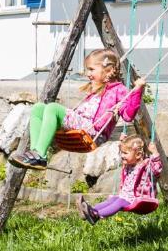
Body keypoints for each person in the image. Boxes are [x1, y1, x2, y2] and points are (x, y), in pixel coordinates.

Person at [9, 49, 144, 170]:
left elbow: (128, 116)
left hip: (93, 131)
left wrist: (138, 91)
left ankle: (40, 155)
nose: (87, 73)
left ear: (108, 71)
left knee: (53, 108)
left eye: (91, 69)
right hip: (82, 124)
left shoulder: (119, 90)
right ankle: (36, 152)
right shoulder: (97, 87)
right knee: (38, 107)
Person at [78, 134, 161, 224]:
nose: (122, 155)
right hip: (125, 197)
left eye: (125, 153)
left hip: (138, 200)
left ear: (138, 155)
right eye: (122, 152)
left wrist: (155, 153)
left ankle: (96, 215)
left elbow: (157, 170)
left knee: (119, 202)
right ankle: (90, 211)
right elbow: (123, 156)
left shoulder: (146, 166)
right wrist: (121, 143)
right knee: (112, 200)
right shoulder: (128, 164)